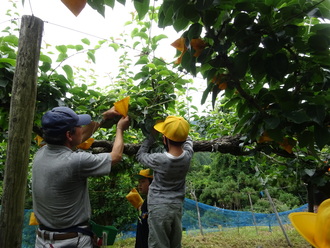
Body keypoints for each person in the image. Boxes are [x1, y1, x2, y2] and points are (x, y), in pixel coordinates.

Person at [32, 106, 130, 248]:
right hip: (72, 241)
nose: (81, 127)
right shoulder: (75, 161)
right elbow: (115, 157)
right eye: (78, 125)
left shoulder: (40, 154)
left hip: (43, 240)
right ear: (68, 135)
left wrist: (103, 117)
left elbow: (80, 137)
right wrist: (120, 129)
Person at [136, 116, 194, 248]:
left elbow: (140, 155)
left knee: (159, 244)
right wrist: (179, 127)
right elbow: (188, 141)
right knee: (175, 244)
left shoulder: (159, 159)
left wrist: (151, 136)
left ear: (165, 139)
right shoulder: (188, 156)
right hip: (176, 206)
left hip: (158, 208)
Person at [134, 168, 153, 248]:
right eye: (139, 182)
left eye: (143, 181)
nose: (139, 185)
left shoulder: (153, 201)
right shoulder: (146, 201)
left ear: (152, 183)